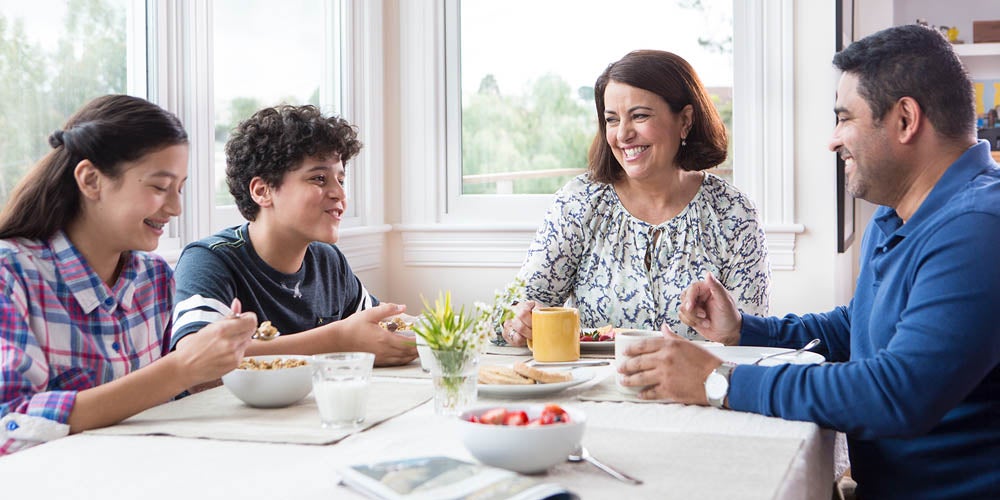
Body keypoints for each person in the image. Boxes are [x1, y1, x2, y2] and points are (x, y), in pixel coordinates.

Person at [619, 25, 1000, 499]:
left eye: (844, 118)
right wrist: (745, 331)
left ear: (905, 119)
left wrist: (719, 380)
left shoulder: (979, 227)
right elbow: (855, 328)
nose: (833, 139)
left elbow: (894, 393)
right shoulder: (900, 212)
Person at [0, 95, 258, 456]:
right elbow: (11, 426)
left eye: (179, 188)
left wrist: (212, 366)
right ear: (91, 180)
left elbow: (169, 402)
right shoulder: (12, 273)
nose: (175, 207)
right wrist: (180, 368)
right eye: (159, 186)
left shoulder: (153, 278)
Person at [503, 50, 770, 346]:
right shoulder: (578, 203)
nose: (623, 134)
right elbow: (513, 311)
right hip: (591, 390)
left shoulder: (733, 213)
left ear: (685, 121)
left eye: (640, 116)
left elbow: (751, 342)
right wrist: (518, 323)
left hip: (698, 390)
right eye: (612, 120)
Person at [171, 104, 416, 366]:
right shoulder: (210, 260)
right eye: (319, 178)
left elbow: (376, 326)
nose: (340, 195)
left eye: (341, 180)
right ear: (262, 191)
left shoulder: (328, 260)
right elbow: (195, 359)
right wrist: (336, 341)